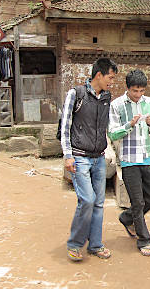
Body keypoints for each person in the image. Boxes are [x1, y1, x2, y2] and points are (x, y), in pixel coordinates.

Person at [61, 58, 118, 262]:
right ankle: (75, 244)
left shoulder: (106, 97)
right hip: (79, 157)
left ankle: (95, 244)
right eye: (110, 77)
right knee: (87, 200)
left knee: (99, 203)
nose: (112, 82)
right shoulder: (76, 94)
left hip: (99, 158)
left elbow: (107, 127)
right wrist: (68, 155)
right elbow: (65, 126)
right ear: (99, 75)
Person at [108, 69, 150, 256]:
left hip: (146, 156)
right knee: (137, 201)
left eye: (141, 91)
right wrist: (129, 125)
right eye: (135, 91)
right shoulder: (117, 105)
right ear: (128, 88)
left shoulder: (149, 103)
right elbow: (112, 133)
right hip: (129, 159)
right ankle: (144, 241)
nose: (138, 95)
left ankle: (126, 217)